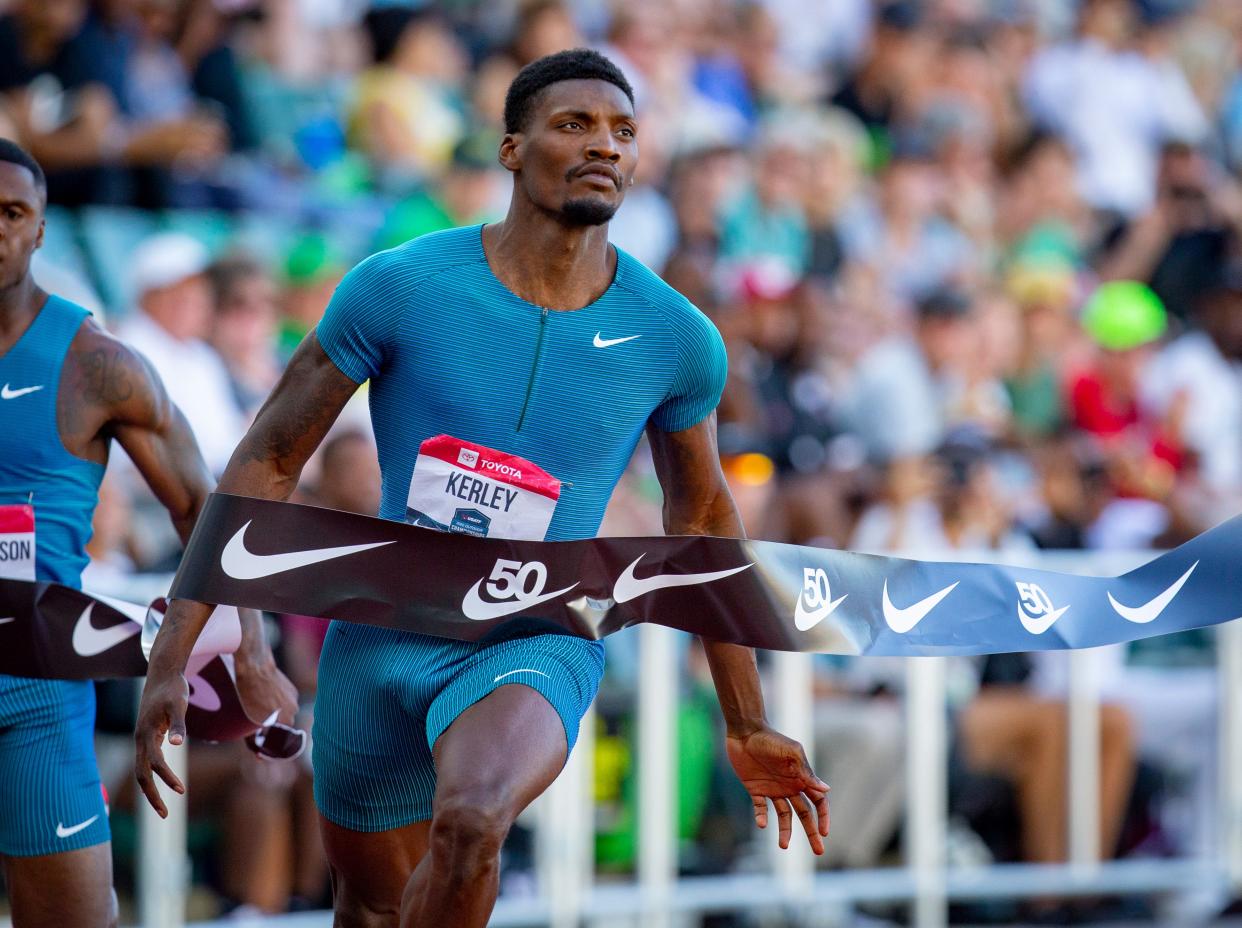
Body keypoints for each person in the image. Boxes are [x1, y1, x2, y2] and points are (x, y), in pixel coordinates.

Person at [136, 48, 830, 927]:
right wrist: (182, 641)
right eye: (574, 125)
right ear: (510, 149)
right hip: (381, 634)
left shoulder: (675, 336)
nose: (605, 147)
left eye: (624, 131)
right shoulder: (399, 286)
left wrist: (745, 718)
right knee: (373, 907)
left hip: (535, 632)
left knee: (471, 823)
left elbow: (702, 521)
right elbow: (267, 460)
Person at [0, 140, 295, 927]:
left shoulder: (97, 366)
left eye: (13, 213)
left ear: (40, 229)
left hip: (35, 690)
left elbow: (207, 512)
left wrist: (251, 654)